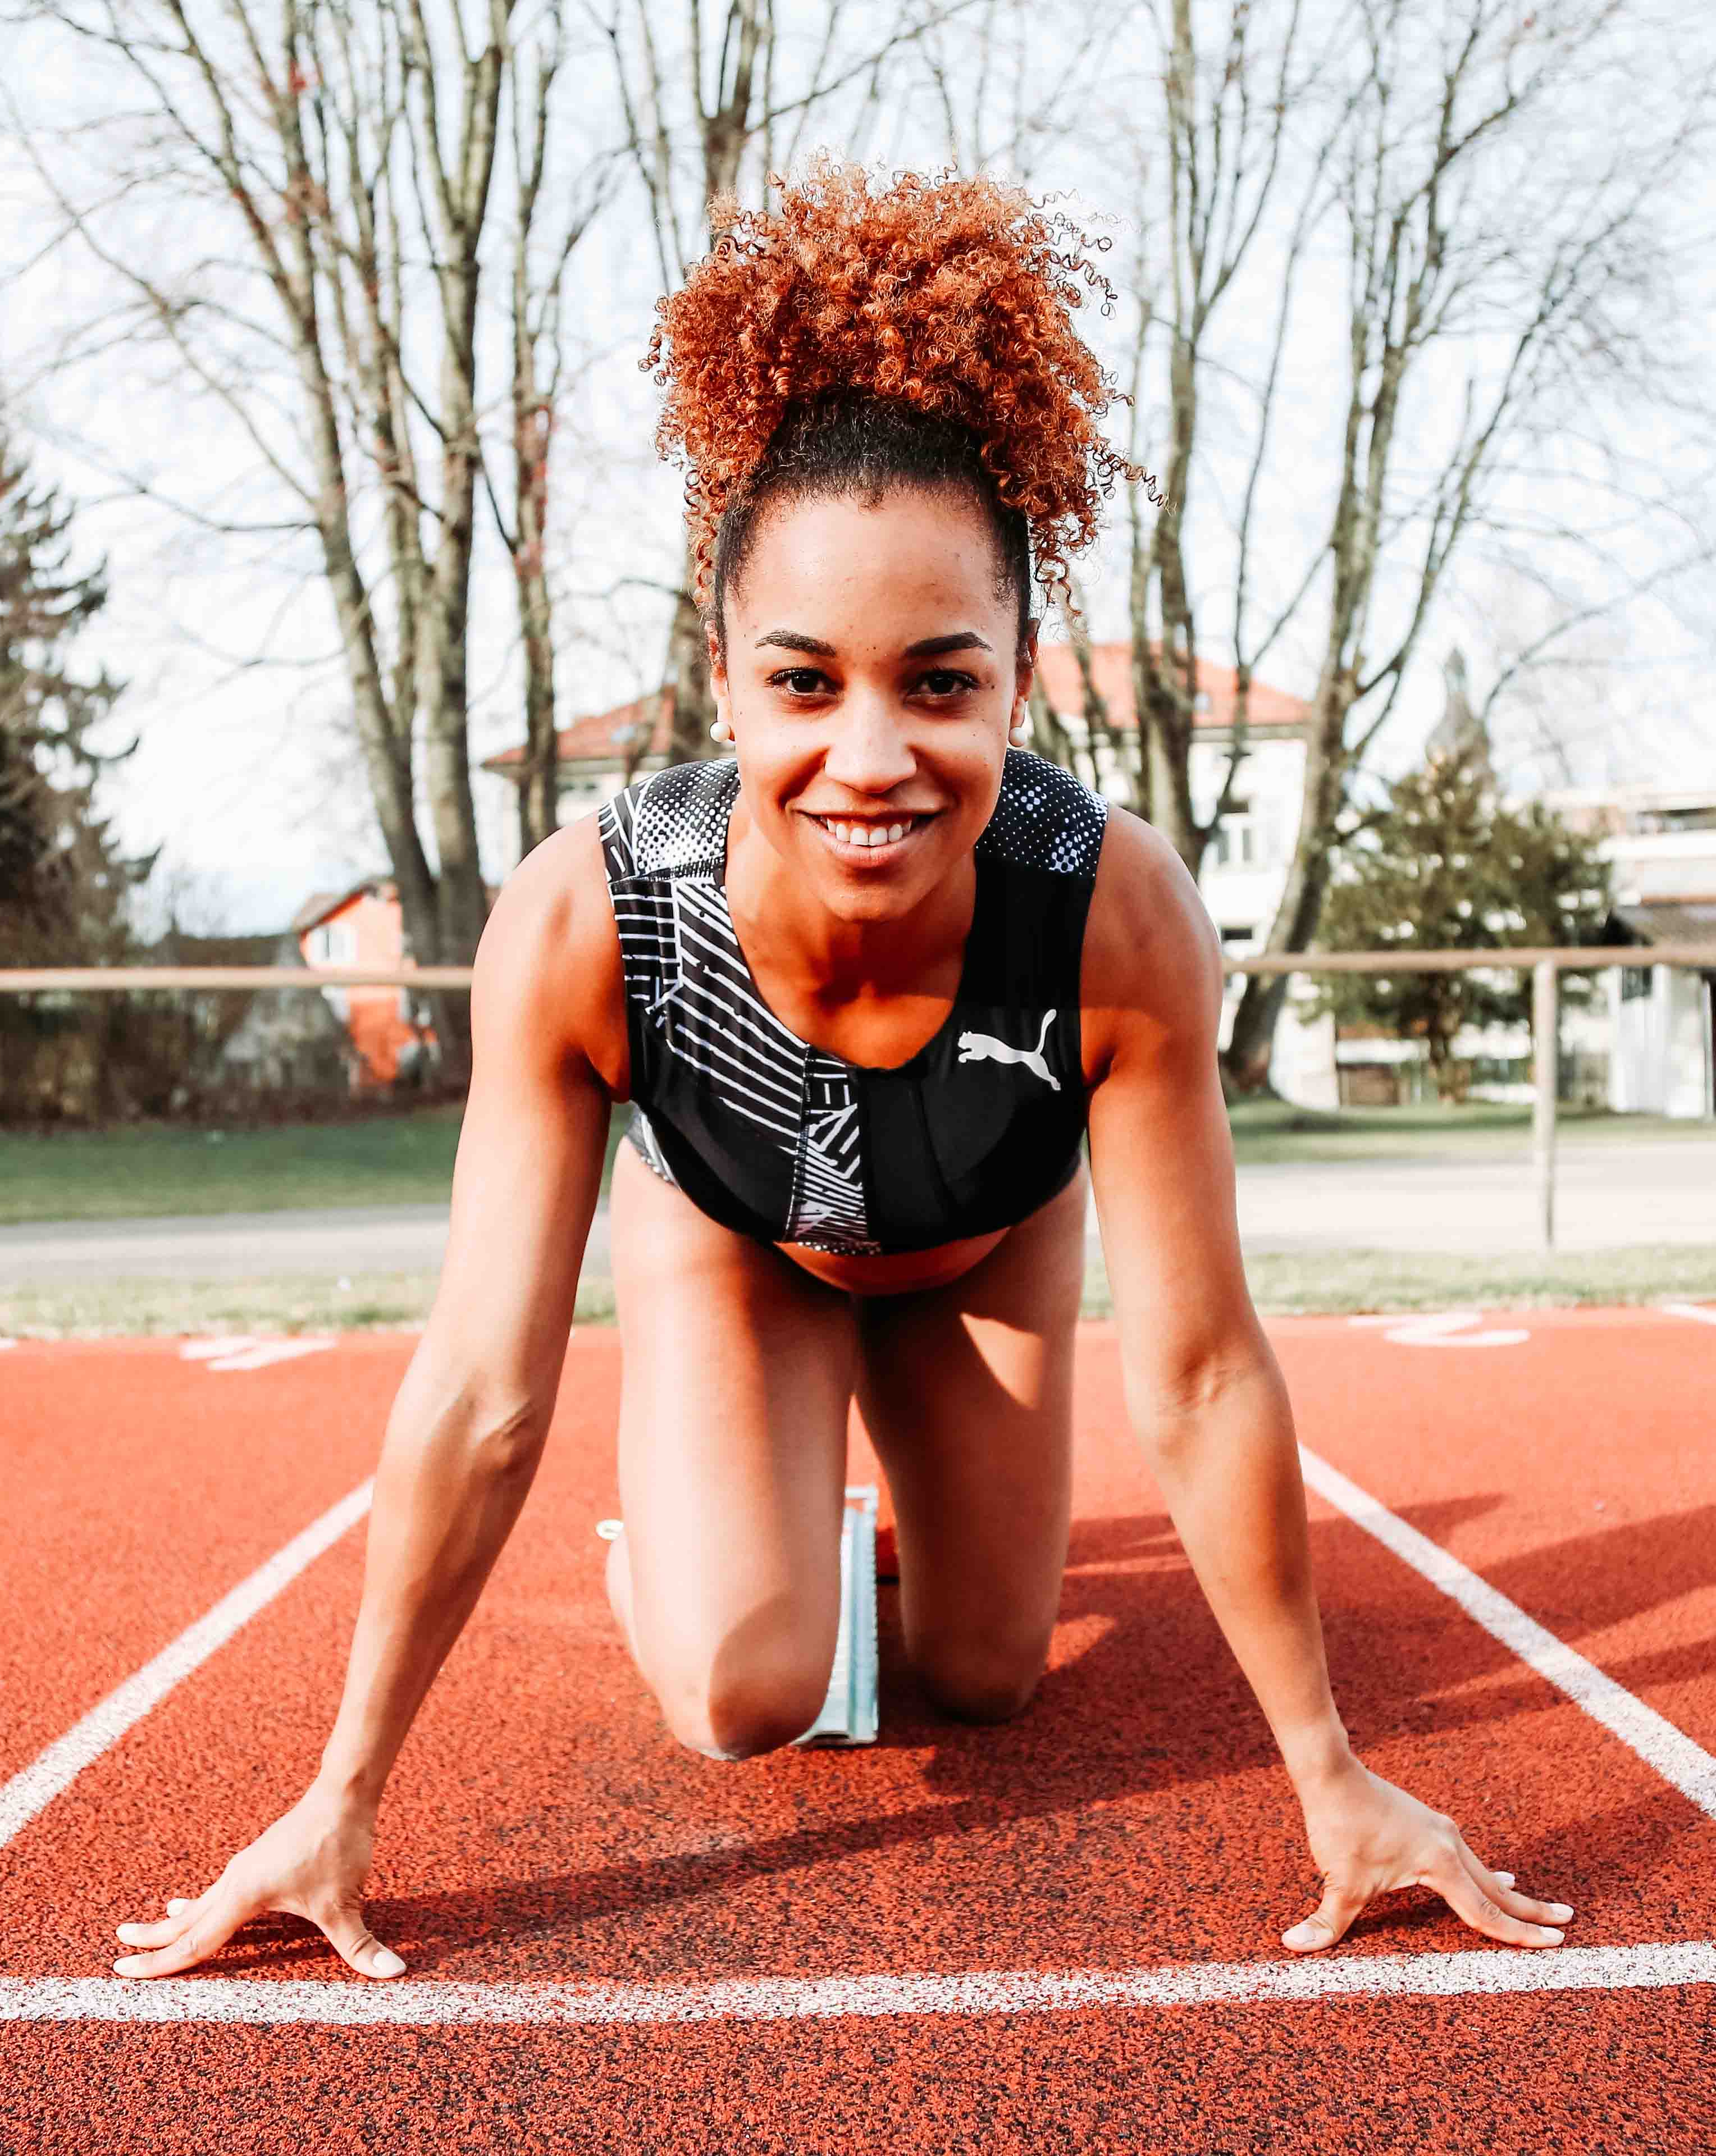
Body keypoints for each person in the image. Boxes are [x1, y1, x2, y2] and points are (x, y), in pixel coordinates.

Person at [112, 158, 1571, 1984]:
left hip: (983, 1239)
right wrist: (344, 1794)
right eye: (805, 684)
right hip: (737, 1238)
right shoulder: (593, 922)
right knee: (748, 1689)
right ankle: (714, 1520)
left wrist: (1332, 1773)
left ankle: (847, 1506)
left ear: (1022, 683)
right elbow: (483, 1385)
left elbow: (1198, 1374)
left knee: (988, 1679)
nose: (870, 755)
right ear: (723, 683)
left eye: (940, 684)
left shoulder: (1110, 914)